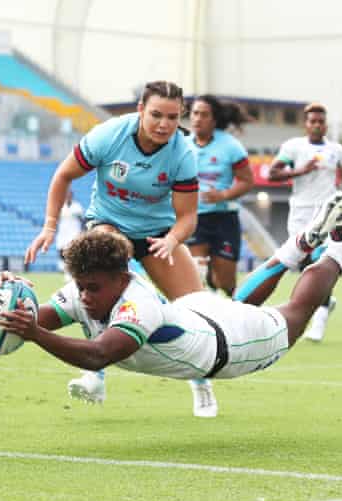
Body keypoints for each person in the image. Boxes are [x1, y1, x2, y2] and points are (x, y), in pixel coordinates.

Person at [0, 194, 342, 395]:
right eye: (82, 286)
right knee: (239, 302)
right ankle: (303, 241)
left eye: (94, 288)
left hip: (230, 348)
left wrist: (36, 335)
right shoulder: (84, 288)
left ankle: (341, 242)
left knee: (297, 310)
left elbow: (98, 354)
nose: (85, 297)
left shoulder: (137, 305)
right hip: (193, 312)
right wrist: (7, 296)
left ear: (123, 277)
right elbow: (27, 320)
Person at [23, 80, 219, 416]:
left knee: (197, 307)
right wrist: (49, 226)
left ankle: (201, 382)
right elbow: (63, 176)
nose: (164, 124)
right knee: (104, 282)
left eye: (173, 117)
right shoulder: (108, 135)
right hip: (108, 224)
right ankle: (93, 373)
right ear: (140, 110)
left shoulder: (183, 153)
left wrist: (172, 240)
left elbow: (187, 218)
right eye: (156, 114)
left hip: (157, 234)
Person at [245, 102, 342, 342]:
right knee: (305, 266)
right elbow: (272, 173)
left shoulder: (336, 149)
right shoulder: (293, 147)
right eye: (312, 121)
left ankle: (319, 321)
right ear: (306, 124)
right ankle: (326, 301)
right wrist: (301, 171)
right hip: (300, 214)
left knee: (320, 264)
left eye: (320, 121)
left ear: (325, 124)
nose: (317, 125)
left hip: (328, 212)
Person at [185, 94, 255, 297]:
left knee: (225, 282)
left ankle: (214, 281)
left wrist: (223, 195)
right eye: (195, 113)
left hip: (224, 218)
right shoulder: (181, 146)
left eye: (204, 114)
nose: (198, 118)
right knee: (196, 272)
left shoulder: (231, 146)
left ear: (214, 120)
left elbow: (247, 181)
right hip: (194, 217)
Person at [55, 190, 85, 280]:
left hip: (74, 232)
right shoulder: (60, 206)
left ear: (72, 196)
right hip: (62, 233)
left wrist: (83, 231)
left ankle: (73, 271)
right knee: (61, 251)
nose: (67, 196)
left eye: (69, 195)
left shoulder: (77, 207)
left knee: (73, 252)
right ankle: (66, 270)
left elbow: (82, 221)